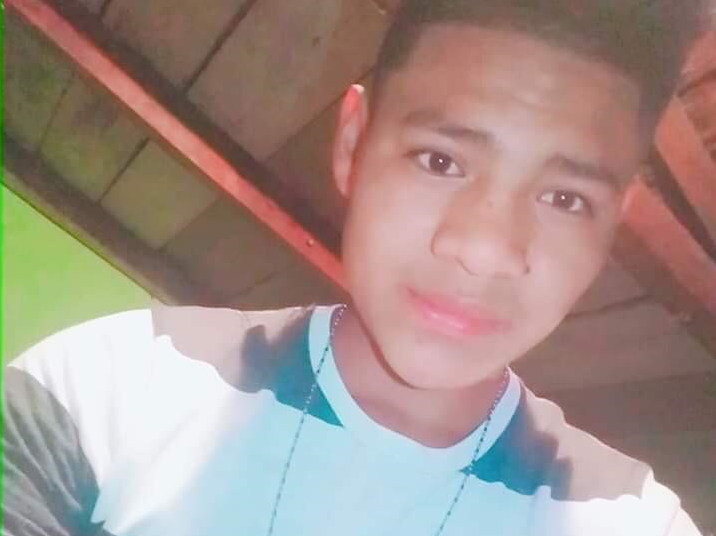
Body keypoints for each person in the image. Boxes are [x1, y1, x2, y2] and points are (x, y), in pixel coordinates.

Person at [3, 1, 708, 535]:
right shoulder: (107, 390)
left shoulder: (631, 521)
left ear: (611, 224)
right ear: (352, 144)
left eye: (565, 198)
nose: (484, 248)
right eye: (441, 160)